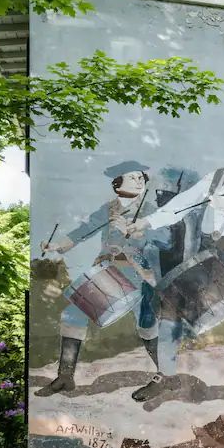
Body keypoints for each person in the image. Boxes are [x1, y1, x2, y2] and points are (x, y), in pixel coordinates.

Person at [127, 129, 224, 403]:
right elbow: (182, 203)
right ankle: (166, 376)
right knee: (170, 297)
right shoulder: (217, 177)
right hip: (211, 255)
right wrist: (146, 222)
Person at [36, 163, 160, 397]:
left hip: (141, 274)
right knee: (73, 314)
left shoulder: (151, 210)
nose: (139, 180)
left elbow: (162, 238)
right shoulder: (108, 209)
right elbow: (82, 232)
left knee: (147, 325)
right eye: (132, 177)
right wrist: (56, 245)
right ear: (117, 183)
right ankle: (65, 377)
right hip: (108, 272)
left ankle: (164, 374)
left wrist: (134, 231)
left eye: (140, 177)